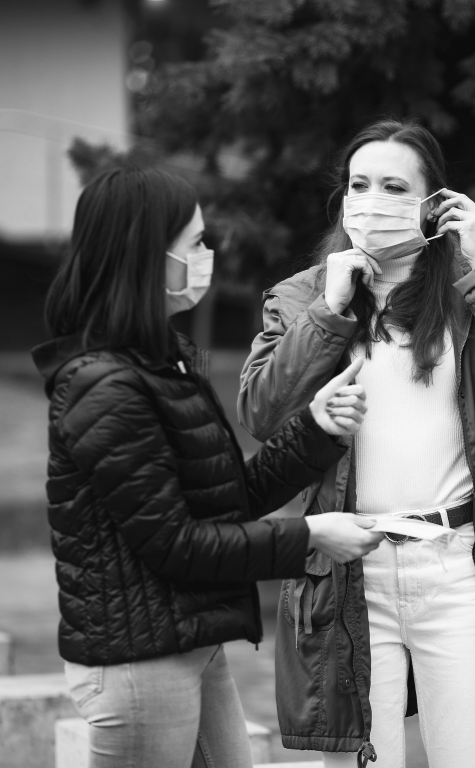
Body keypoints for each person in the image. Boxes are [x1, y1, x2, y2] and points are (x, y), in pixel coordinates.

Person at [237, 119, 475, 768]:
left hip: (457, 567)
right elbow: (260, 411)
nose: (372, 200)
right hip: (346, 570)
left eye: (394, 186)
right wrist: (331, 310)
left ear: (432, 206)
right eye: (359, 184)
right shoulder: (303, 296)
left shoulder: (468, 294)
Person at [33, 166, 385, 768]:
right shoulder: (106, 386)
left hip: (188, 641)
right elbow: (175, 544)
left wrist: (316, 430)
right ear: (148, 257)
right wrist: (310, 536)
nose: (207, 256)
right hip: (140, 664)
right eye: (194, 244)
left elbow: (228, 502)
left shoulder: (160, 366)